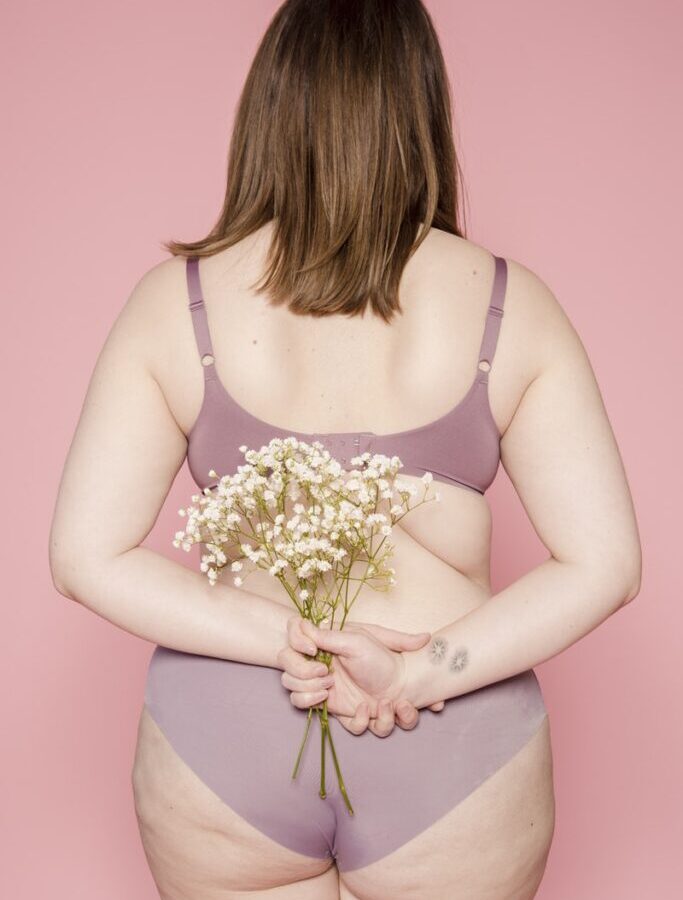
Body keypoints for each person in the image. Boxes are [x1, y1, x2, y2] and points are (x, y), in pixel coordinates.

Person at [48, 1, 642, 898]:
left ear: (270, 109)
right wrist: (418, 669)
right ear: (421, 113)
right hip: (454, 741)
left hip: (226, 734)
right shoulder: (510, 306)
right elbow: (605, 565)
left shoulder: (176, 302)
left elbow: (83, 556)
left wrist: (284, 638)